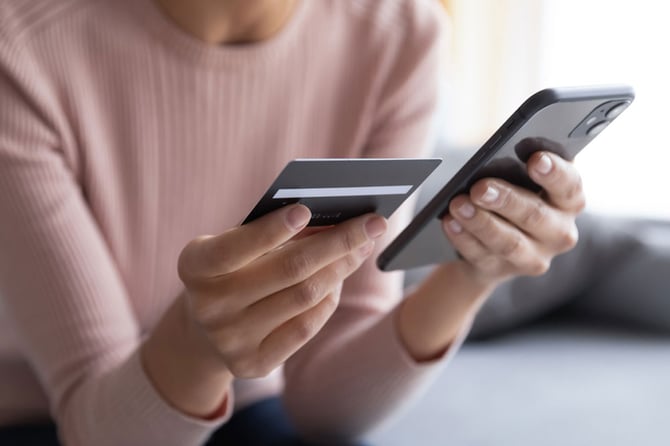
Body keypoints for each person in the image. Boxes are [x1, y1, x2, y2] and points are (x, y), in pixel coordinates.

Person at [0, 0, 585, 444]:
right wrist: (199, 348)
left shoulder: (398, 32)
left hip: (245, 403)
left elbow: (324, 404)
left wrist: (470, 275)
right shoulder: (23, 46)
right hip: (47, 413)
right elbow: (96, 426)